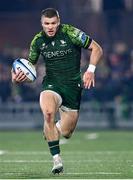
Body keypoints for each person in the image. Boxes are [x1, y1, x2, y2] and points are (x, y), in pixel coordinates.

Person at [11, 8, 103, 174]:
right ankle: (57, 160)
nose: (50, 27)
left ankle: (51, 130)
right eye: (46, 24)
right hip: (51, 85)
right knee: (48, 114)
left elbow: (97, 48)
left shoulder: (70, 32)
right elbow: (29, 68)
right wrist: (17, 77)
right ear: (42, 24)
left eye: (53, 23)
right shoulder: (38, 41)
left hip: (73, 87)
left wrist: (90, 70)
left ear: (58, 22)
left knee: (66, 133)